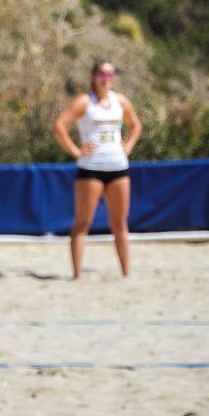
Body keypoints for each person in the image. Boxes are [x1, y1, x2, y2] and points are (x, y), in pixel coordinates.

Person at [53, 60, 142, 279]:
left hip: (117, 166)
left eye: (111, 74)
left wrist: (128, 146)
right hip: (91, 167)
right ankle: (77, 274)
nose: (107, 78)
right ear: (94, 76)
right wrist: (75, 150)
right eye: (103, 74)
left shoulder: (120, 100)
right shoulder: (85, 102)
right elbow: (59, 126)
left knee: (119, 223)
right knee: (83, 222)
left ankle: (126, 272)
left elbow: (136, 125)